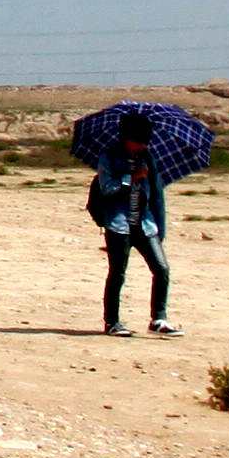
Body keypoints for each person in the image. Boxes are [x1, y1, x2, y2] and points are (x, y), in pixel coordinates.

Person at [89, 142, 172, 338]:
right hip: (118, 224)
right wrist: (130, 178)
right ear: (127, 138)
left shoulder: (148, 158)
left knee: (162, 269)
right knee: (117, 274)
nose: (142, 144)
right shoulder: (109, 157)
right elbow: (106, 188)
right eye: (138, 139)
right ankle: (111, 322)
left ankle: (158, 319)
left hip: (145, 223)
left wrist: (160, 228)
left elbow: (157, 194)